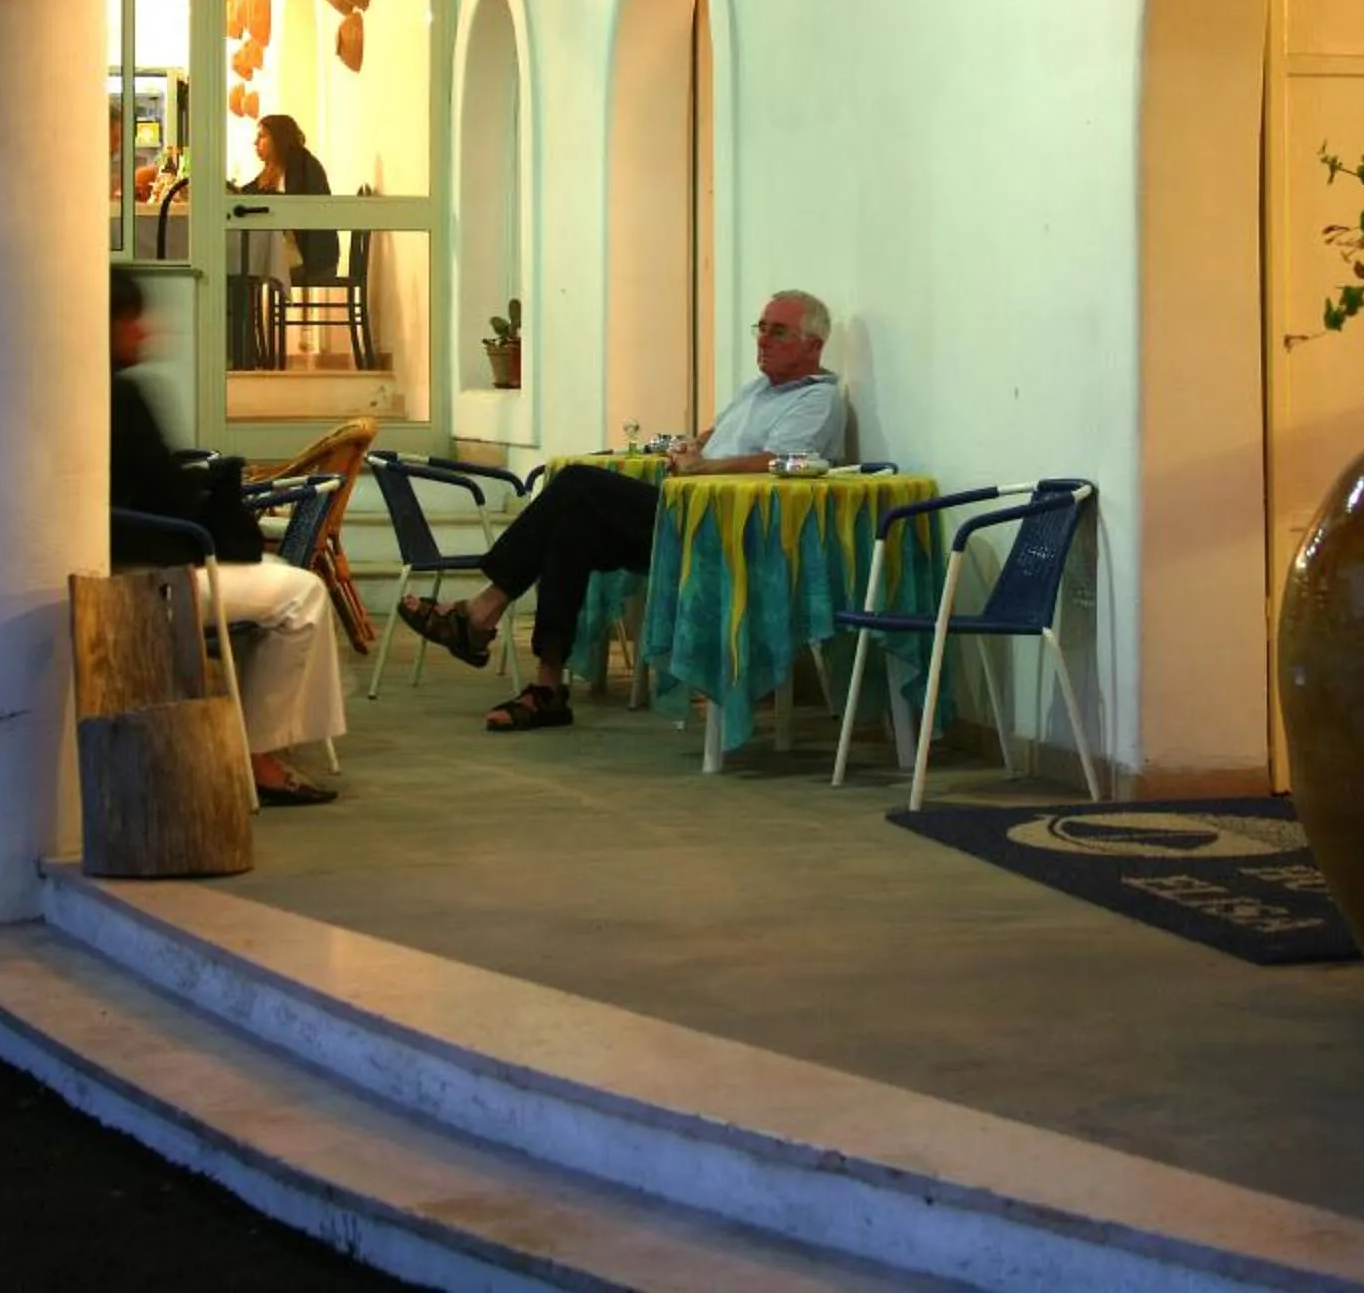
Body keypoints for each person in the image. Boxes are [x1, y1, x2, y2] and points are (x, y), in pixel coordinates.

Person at [394, 290, 849, 731]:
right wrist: (696, 443)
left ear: (813, 345)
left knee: (575, 481)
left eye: (779, 332)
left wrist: (706, 466)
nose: (763, 340)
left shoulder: (817, 397)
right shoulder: (758, 391)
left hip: (727, 530)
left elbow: (784, 459)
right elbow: (722, 433)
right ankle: (547, 685)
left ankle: (480, 612)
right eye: (762, 328)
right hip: (686, 512)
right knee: (571, 528)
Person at [108, 267, 343, 804]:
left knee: (284, 583)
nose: (145, 332)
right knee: (302, 595)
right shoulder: (121, 397)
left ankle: (263, 742)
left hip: (122, 562)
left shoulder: (73, 395)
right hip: (143, 578)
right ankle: (258, 755)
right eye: (132, 319)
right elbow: (163, 498)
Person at [242, 113, 340, 281]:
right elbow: (248, 193)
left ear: (279, 138)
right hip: (295, 251)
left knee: (243, 266)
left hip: (314, 258)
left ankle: (241, 307)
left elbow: (289, 204)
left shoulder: (301, 164)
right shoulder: (273, 169)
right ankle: (244, 307)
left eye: (262, 136)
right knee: (244, 261)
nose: (255, 142)